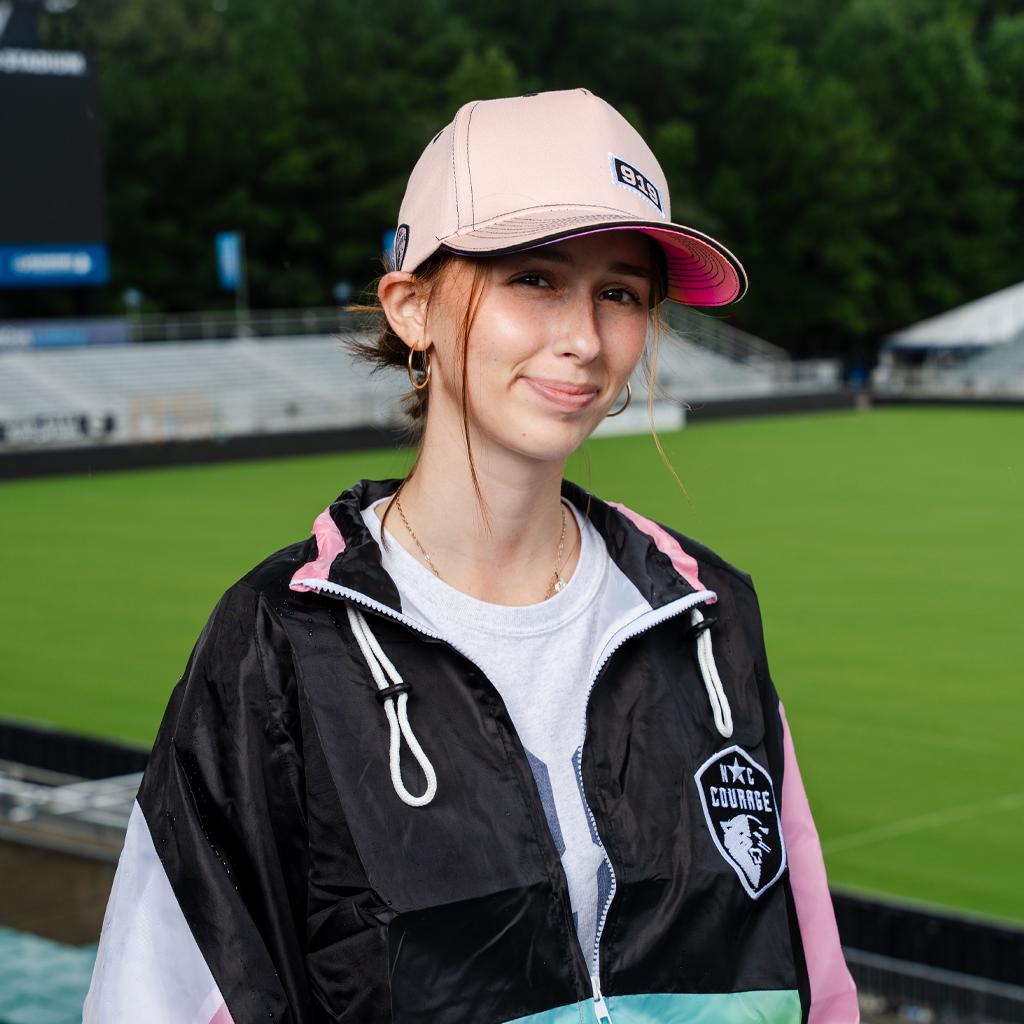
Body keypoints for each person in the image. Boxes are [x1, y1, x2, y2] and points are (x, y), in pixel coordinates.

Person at [84, 89, 858, 1024]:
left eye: (619, 293)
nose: (584, 340)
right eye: (534, 279)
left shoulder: (707, 613)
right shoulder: (277, 643)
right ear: (411, 306)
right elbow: (161, 997)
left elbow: (814, 987)